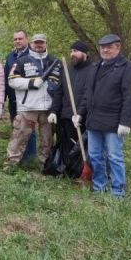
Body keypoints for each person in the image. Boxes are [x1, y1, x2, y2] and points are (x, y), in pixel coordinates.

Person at [74, 35, 131, 197]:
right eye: (103, 47)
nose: (105, 50)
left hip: (114, 122)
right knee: (95, 155)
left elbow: (130, 97)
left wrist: (126, 122)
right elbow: (87, 95)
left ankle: (118, 191)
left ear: (118, 48)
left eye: (109, 47)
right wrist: (80, 113)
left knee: (114, 157)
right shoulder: (95, 67)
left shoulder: (127, 68)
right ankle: (99, 186)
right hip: (94, 121)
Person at [6, 34, 61, 166]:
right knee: (19, 137)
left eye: (41, 42)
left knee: (47, 140)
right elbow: (12, 81)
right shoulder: (21, 61)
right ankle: (11, 164)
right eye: (36, 42)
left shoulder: (55, 62)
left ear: (46, 43)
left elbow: (62, 84)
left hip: (48, 107)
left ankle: (45, 165)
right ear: (31, 44)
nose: (38, 45)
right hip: (28, 107)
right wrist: (31, 83)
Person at [48, 40, 94, 171]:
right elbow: (59, 92)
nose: (72, 54)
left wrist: (80, 113)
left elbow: (89, 95)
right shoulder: (67, 70)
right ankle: (67, 170)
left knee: (81, 146)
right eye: (71, 51)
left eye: (76, 51)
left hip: (84, 117)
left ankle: (81, 170)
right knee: (66, 144)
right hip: (66, 116)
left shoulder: (93, 70)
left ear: (85, 53)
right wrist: (53, 111)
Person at [4, 29, 37, 163]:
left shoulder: (33, 56)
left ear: (26, 39)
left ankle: (29, 158)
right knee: (17, 128)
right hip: (13, 99)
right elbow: (7, 78)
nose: (17, 41)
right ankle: (17, 155)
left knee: (29, 129)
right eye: (15, 39)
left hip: (28, 99)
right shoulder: (10, 57)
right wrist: (4, 98)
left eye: (20, 38)